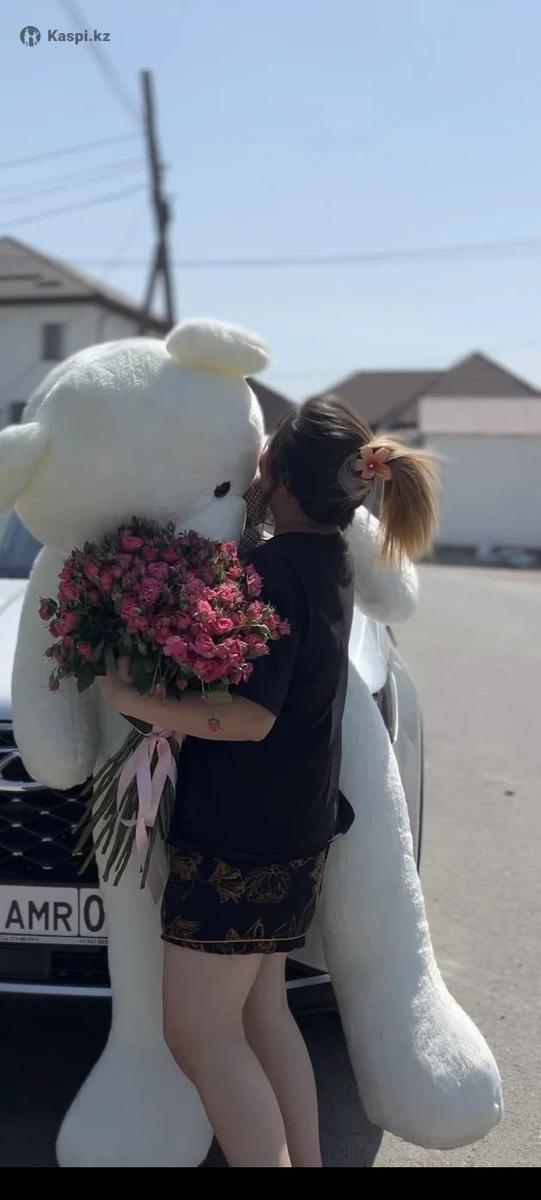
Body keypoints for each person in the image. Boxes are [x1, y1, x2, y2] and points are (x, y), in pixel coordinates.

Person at [99, 395, 437, 1168]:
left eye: (262, 462)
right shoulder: (326, 561)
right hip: (293, 831)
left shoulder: (271, 572)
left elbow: (251, 717)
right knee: (261, 1015)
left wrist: (135, 699)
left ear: (279, 477)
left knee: (198, 1034)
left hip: (239, 841)